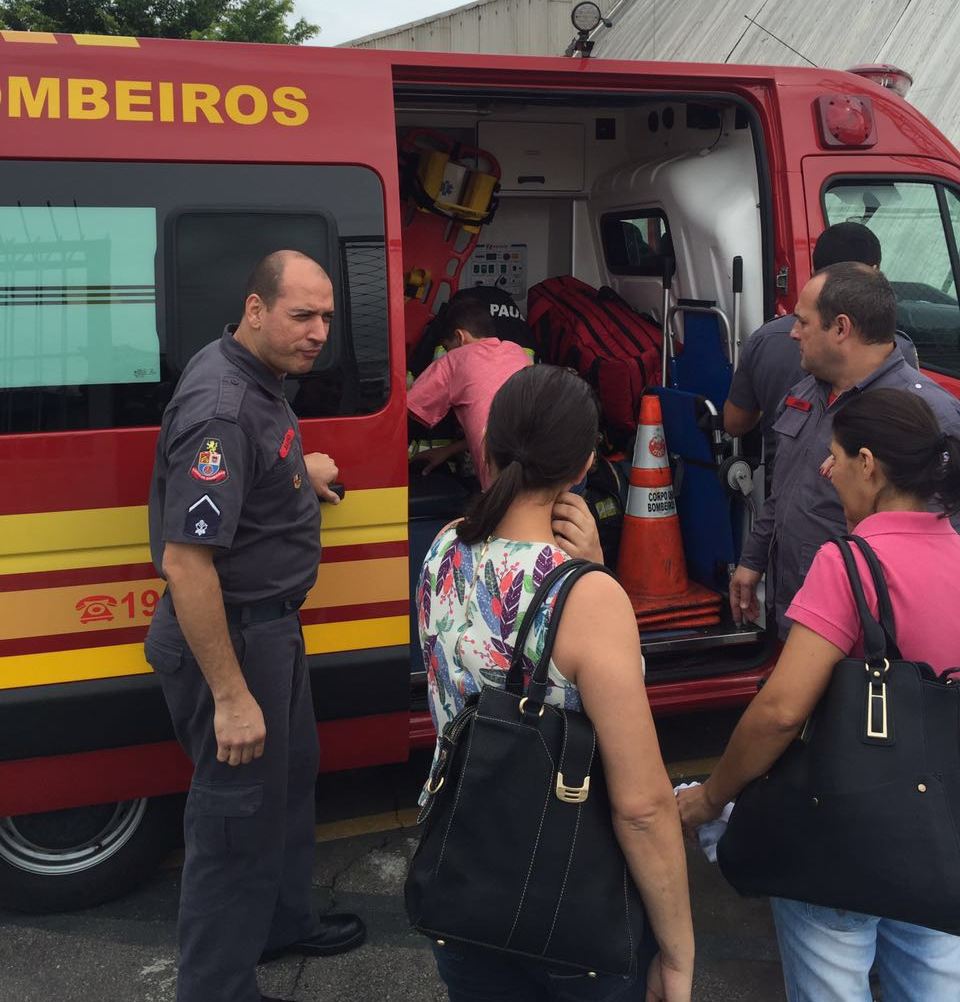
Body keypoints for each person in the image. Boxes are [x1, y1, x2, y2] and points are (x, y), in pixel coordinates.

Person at [418, 365, 695, 1002]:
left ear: (487, 447)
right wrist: (678, 954)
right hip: (570, 899)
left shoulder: (443, 549)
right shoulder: (589, 598)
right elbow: (643, 805)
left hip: (466, 878)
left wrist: (586, 571)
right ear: (585, 465)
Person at [679, 387, 960, 1002]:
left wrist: (711, 797)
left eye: (833, 456)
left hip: (840, 834)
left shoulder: (851, 564)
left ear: (869, 464)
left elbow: (780, 713)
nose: (825, 470)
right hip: (941, 830)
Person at [144, 250, 364, 1002]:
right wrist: (233, 696)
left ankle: (280, 922)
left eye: (327, 317)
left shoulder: (260, 380)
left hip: (271, 630)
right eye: (302, 315)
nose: (317, 333)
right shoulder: (221, 407)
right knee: (234, 824)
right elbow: (188, 565)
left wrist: (304, 478)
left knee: (291, 778)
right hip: (230, 641)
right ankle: (216, 989)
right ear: (256, 309)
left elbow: (252, 485)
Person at [729, 262, 960, 639]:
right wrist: (752, 559)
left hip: (866, 639)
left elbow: (943, 548)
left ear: (840, 328)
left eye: (803, 322)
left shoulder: (929, 418)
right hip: (796, 612)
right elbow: (783, 489)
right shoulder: (806, 392)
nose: (792, 333)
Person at [724, 222, 919, 457]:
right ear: (874, 272)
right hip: (859, 489)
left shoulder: (765, 339)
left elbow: (734, 423)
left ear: (815, 270)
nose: (796, 333)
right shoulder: (891, 349)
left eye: (804, 323)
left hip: (782, 485)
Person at [407, 295, 531, 486]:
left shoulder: (455, 360)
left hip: (505, 488)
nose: (448, 352)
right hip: (559, 469)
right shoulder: (517, 352)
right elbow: (499, 425)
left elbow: (406, 411)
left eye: (448, 347)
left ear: (460, 337)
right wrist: (447, 451)